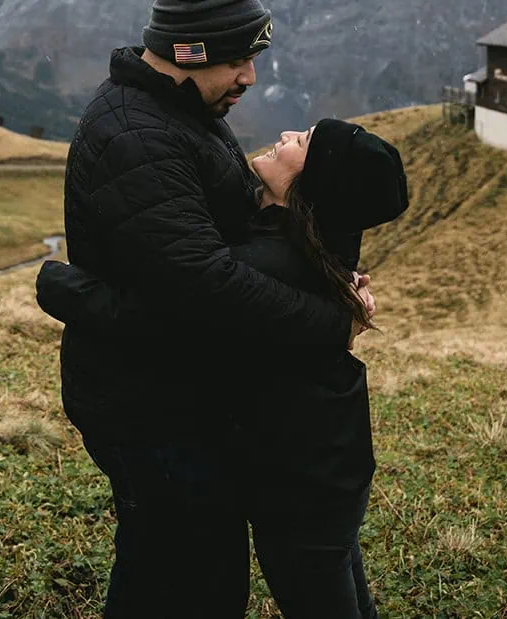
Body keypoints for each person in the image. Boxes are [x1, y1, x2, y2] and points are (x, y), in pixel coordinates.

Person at [42, 0, 371, 619]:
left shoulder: (182, 112)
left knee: (182, 567)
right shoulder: (136, 135)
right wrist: (329, 320)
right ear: (189, 49)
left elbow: (236, 223)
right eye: (238, 58)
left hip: (173, 390)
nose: (250, 77)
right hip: (144, 405)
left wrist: (329, 275)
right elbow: (204, 282)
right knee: (184, 576)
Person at [40, 118, 408, 619]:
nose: (286, 135)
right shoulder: (314, 242)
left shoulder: (270, 260)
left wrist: (59, 285)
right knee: (341, 580)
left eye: (302, 142)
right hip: (329, 467)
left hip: (299, 485)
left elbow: (156, 312)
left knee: (320, 596)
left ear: (313, 184)